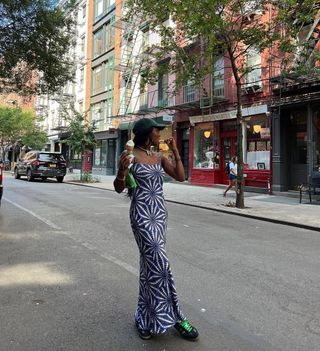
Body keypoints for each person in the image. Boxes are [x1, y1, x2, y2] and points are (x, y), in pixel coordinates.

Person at [114, 118, 199, 341]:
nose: (160, 134)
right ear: (146, 133)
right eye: (156, 131)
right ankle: (179, 318)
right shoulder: (130, 156)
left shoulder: (159, 157)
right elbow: (118, 188)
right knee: (161, 265)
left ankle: (143, 318)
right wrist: (122, 171)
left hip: (159, 215)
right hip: (141, 215)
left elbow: (181, 176)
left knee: (149, 267)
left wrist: (175, 151)